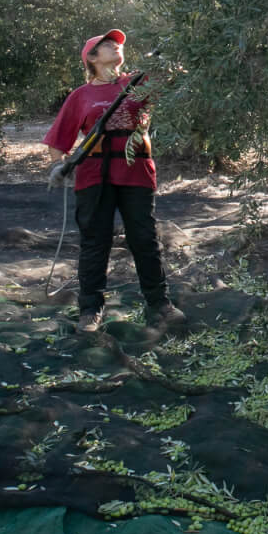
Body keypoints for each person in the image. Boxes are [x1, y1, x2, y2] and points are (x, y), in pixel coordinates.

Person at [43, 29, 185, 334]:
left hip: (137, 172)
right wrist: (59, 167)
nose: (115, 47)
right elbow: (59, 141)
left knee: (144, 240)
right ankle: (90, 310)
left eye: (117, 44)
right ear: (92, 58)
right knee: (95, 243)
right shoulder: (80, 96)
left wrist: (176, 55)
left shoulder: (139, 82)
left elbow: (175, 79)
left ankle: (160, 303)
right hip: (94, 176)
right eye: (107, 45)